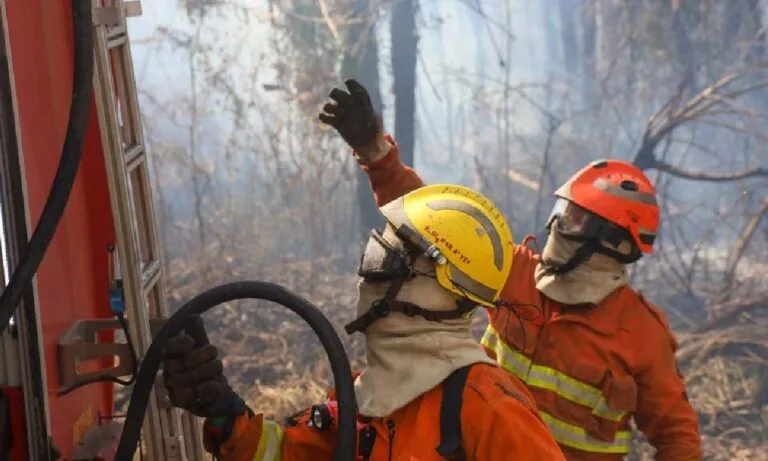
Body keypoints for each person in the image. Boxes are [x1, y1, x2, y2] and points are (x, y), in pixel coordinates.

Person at [318, 79, 703, 461]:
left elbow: (677, 438)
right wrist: (376, 153)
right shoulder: (517, 274)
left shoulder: (642, 335)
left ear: (618, 245)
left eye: (577, 220)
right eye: (563, 212)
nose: (557, 227)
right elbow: (435, 230)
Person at [162, 184, 567, 461]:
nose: (366, 277)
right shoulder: (367, 397)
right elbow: (285, 454)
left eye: (386, 261)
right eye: (375, 254)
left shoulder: (487, 407)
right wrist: (221, 411)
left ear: (437, 289)